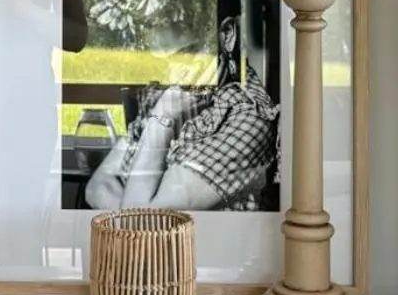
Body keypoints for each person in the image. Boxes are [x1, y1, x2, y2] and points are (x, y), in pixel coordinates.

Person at [82, 76, 277, 212]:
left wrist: (161, 118)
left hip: (200, 265)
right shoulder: (166, 96)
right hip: (136, 260)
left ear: (227, 35)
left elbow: (140, 219)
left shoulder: (248, 117)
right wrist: (131, 214)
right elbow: (95, 188)